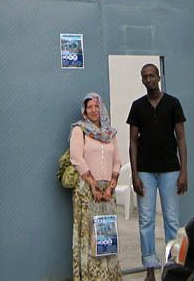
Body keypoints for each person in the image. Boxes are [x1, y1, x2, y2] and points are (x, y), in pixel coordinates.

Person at [127, 64, 187, 281]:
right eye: (145, 76)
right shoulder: (137, 106)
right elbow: (133, 142)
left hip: (171, 170)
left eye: (152, 75)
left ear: (159, 77)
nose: (149, 79)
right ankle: (150, 268)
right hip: (145, 172)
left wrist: (183, 171)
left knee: (172, 220)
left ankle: (172, 267)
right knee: (146, 221)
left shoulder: (173, 103)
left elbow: (181, 138)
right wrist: (134, 174)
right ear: (142, 80)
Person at [69, 92, 122, 281]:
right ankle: (91, 276)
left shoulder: (110, 133)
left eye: (96, 106)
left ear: (102, 108)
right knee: (89, 234)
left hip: (107, 191)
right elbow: (76, 158)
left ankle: (109, 276)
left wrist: (111, 185)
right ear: (85, 110)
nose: (93, 110)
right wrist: (93, 184)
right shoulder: (79, 130)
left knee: (106, 234)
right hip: (87, 190)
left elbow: (117, 161)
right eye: (89, 107)